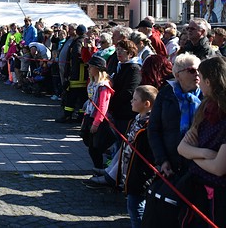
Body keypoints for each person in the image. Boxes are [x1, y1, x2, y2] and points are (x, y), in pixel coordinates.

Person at [142, 53, 202, 227]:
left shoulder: (206, 95)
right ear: (178, 75)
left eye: (199, 70)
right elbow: (154, 129)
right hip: (171, 162)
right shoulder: (167, 93)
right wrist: (162, 160)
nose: (196, 74)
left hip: (198, 164)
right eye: (191, 70)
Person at [177, 56, 226, 228]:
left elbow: (219, 168)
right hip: (197, 189)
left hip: (219, 196)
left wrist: (194, 154)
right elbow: (182, 148)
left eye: (201, 78)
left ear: (208, 81)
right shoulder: (205, 108)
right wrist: (204, 154)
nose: (198, 82)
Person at [120, 85, 159, 228]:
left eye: (135, 99)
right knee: (134, 206)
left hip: (141, 175)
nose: (131, 101)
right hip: (130, 170)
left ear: (146, 104)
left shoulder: (150, 125)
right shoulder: (137, 119)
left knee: (136, 209)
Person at [80, 55, 115, 169]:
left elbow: (102, 106)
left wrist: (96, 123)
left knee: (95, 147)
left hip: (99, 120)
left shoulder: (103, 86)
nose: (88, 69)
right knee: (90, 144)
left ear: (97, 68)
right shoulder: (93, 83)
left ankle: (99, 168)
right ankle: (99, 167)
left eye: (90, 67)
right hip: (90, 116)